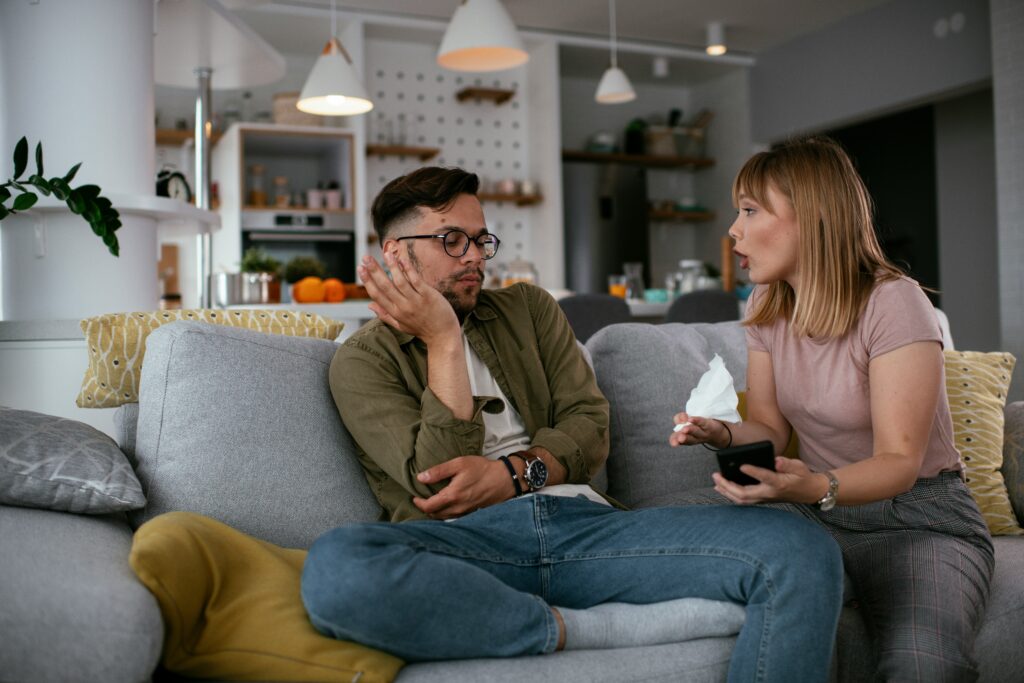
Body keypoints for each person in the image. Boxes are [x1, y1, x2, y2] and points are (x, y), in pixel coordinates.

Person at [301, 166, 843, 680]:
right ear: (396, 254)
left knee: (801, 550)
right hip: (465, 550)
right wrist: (443, 340)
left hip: (583, 526)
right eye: (451, 240)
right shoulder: (363, 361)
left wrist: (517, 473)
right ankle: (577, 628)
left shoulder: (529, 310)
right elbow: (442, 482)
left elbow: (590, 425)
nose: (474, 258)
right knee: (338, 568)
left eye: (480, 240)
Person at [670, 137, 994, 682]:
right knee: (659, 521)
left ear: (811, 217)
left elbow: (899, 461)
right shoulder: (767, 305)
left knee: (922, 666)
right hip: (817, 514)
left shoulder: (894, 301)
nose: (733, 230)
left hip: (919, 518)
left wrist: (814, 485)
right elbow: (770, 430)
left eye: (750, 210)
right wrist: (722, 434)